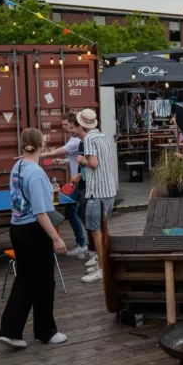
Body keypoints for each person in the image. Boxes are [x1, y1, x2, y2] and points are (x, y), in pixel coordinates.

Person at [0, 128, 67, 349]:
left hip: (17, 229)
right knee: (45, 282)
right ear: (41, 146)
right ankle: (45, 331)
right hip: (34, 232)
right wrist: (56, 238)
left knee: (26, 280)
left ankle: (10, 330)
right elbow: (40, 212)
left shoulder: (17, 167)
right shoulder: (36, 173)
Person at [72, 109, 117, 283]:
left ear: (82, 124)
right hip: (109, 189)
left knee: (96, 230)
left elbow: (93, 163)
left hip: (96, 191)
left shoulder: (89, 139)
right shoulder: (103, 136)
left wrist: (81, 160)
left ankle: (102, 269)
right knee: (103, 229)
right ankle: (103, 262)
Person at [40, 113, 88, 257]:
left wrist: (35, 155)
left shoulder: (76, 141)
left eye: (66, 125)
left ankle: (83, 244)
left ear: (75, 125)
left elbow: (55, 152)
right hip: (77, 181)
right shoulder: (74, 140)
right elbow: (75, 159)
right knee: (79, 213)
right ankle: (87, 243)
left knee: (73, 212)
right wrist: (63, 162)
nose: (63, 127)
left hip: (80, 182)